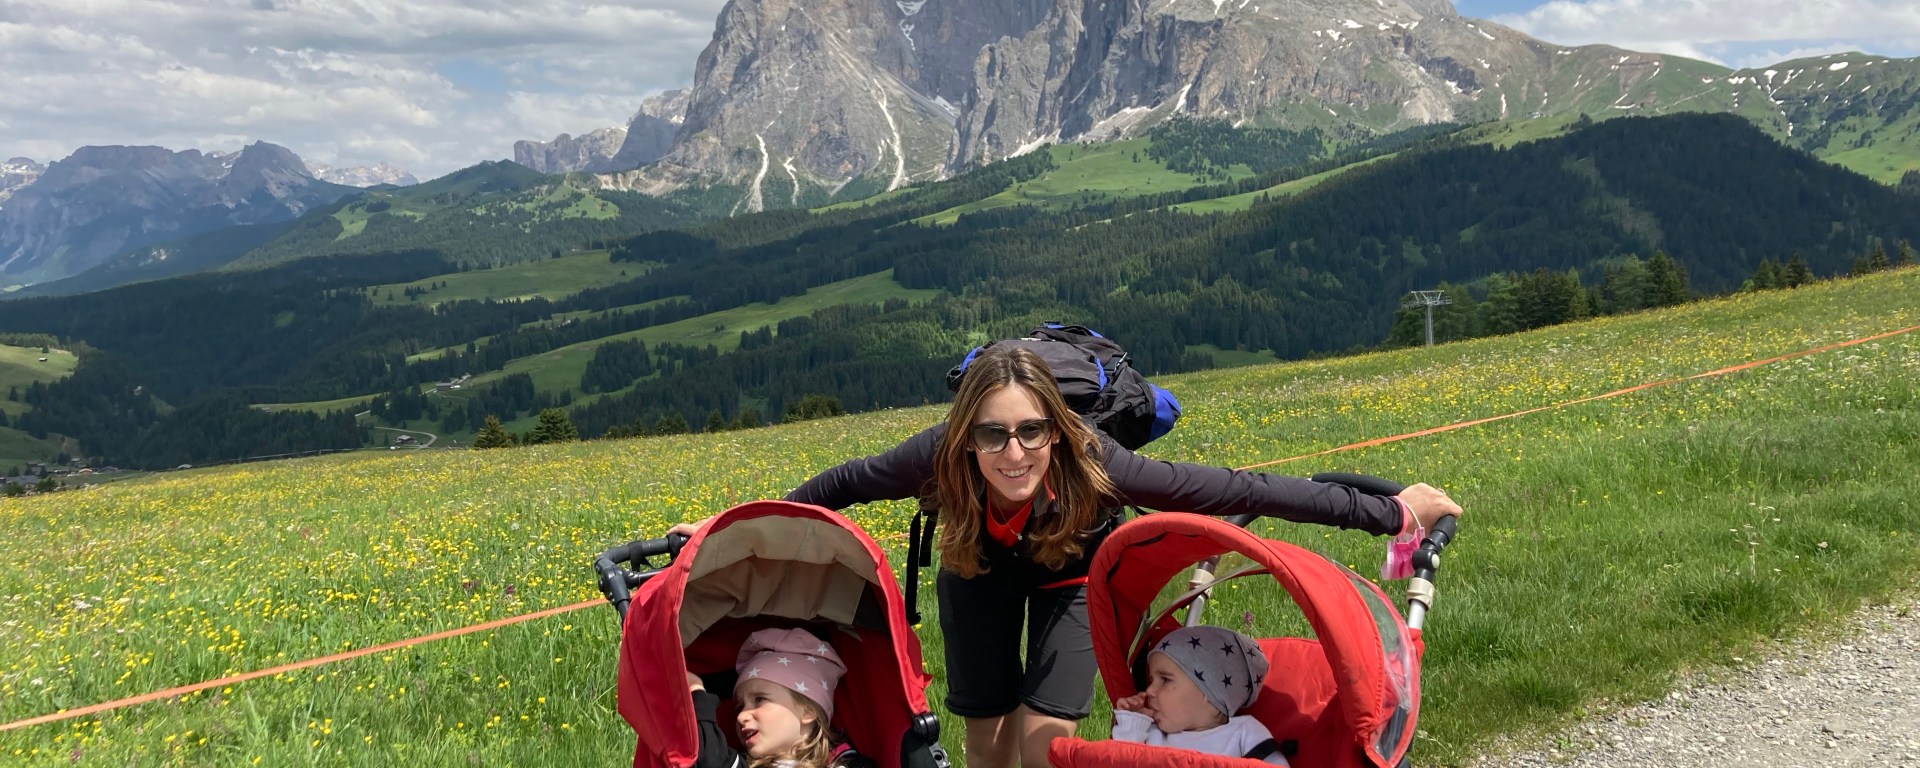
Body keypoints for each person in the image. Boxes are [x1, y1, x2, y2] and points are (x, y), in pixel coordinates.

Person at [671, 345, 1461, 768]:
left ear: (1056, 429)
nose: (1013, 452)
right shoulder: (934, 455)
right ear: (964, 436)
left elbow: (1237, 488)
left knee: (1047, 734)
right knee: (986, 734)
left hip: (1072, 576)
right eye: (991, 434)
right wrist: (727, 528)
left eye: (1030, 431)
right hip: (976, 570)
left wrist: (1389, 512)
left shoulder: (1099, 461)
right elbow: (841, 485)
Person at [687, 627, 877, 768]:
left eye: (760, 699)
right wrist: (696, 695)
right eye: (739, 707)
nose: (741, 716)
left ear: (808, 711)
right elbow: (713, 761)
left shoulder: (846, 763)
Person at [1111, 626, 1288, 765]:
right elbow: (1121, 761)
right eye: (1150, 680)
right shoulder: (1151, 734)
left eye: (1165, 679)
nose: (1149, 690)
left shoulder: (1243, 733)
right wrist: (1133, 721)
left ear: (1209, 691)